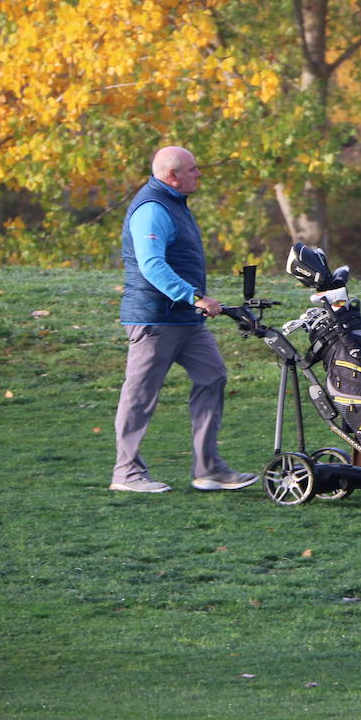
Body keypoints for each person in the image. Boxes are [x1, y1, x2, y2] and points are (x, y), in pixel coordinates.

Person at [109, 146, 258, 493]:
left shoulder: (174, 204)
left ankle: (209, 469)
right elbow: (152, 265)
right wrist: (195, 297)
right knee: (140, 394)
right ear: (172, 176)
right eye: (193, 169)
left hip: (186, 321)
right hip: (155, 319)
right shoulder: (152, 210)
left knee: (212, 376)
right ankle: (126, 473)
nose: (199, 173)